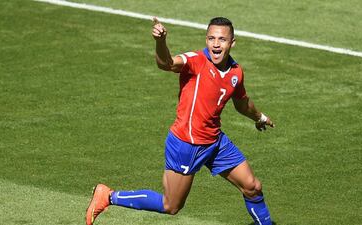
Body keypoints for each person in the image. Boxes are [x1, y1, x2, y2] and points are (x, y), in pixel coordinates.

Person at [86, 17, 275, 225]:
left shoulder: (235, 72)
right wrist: (160, 41)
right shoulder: (196, 61)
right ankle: (109, 196)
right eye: (211, 38)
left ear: (232, 43)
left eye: (222, 39)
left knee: (252, 187)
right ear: (206, 40)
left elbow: (241, 103)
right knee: (171, 205)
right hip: (186, 144)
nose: (216, 44)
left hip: (215, 141)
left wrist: (260, 117)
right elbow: (166, 63)